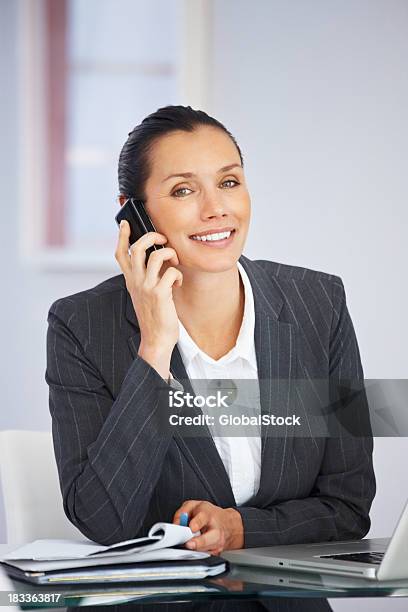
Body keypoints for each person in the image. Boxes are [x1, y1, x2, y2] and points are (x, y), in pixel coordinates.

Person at [46, 105, 375, 612]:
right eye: (183, 190)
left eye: (229, 182)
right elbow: (102, 519)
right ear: (135, 213)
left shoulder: (320, 304)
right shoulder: (82, 327)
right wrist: (154, 348)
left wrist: (241, 528)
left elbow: (348, 508)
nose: (216, 209)